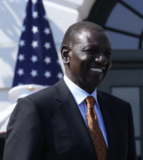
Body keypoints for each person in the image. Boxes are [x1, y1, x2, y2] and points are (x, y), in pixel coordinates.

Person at [4, 21, 136, 160]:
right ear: (66, 55)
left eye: (107, 53)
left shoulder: (120, 110)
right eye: (91, 51)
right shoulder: (36, 108)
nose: (102, 60)